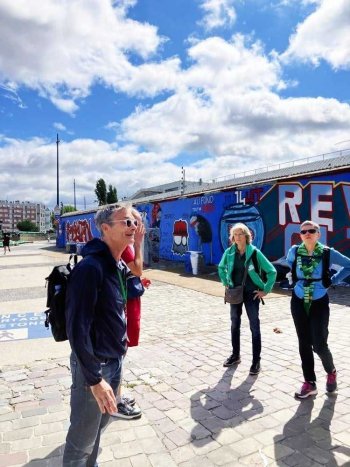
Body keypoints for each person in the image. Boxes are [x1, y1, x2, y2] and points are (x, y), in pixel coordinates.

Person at [63, 204, 138, 466]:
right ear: (105, 229)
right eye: (126, 223)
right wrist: (94, 380)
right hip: (94, 367)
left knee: (99, 428)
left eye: (133, 222)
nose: (133, 227)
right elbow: (76, 328)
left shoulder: (115, 265)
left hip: (114, 361)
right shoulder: (91, 268)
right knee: (82, 439)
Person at [286, 220, 350, 399]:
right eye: (304, 231)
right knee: (303, 342)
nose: (307, 233)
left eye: (311, 230)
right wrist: (292, 277)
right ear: (300, 235)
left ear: (318, 234)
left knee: (319, 344)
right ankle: (310, 383)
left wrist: (332, 280)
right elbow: (290, 266)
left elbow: (348, 265)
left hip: (319, 301)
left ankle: (331, 371)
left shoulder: (328, 253)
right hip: (298, 299)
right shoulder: (294, 251)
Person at [218, 223, 277, 375]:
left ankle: (256, 361)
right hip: (235, 293)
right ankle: (235, 355)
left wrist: (265, 290)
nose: (237, 237)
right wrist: (226, 282)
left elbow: (272, 271)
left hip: (252, 294)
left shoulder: (255, 253)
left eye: (240, 234)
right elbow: (221, 267)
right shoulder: (229, 252)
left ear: (247, 236)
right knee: (234, 324)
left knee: (254, 327)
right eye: (235, 235)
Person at [112, 208, 146, 419]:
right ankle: (115, 400)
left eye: (138, 223)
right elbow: (138, 269)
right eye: (131, 223)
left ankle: (118, 394)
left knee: (121, 350)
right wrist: (139, 244)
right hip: (124, 302)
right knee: (119, 349)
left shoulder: (127, 245)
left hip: (128, 298)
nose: (136, 228)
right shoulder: (126, 246)